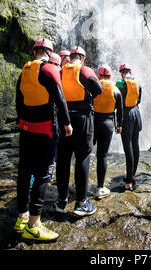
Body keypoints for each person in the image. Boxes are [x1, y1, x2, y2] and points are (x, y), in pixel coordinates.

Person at [14, 38, 72, 242]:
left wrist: (23, 122)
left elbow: (18, 101)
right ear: (49, 52)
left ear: (34, 50)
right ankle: (34, 224)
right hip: (46, 129)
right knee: (43, 173)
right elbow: (60, 97)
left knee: (24, 171)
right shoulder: (49, 70)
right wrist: (67, 123)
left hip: (26, 128)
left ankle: (21, 216)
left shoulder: (24, 71)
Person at [54, 46, 102, 216]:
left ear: (70, 56)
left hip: (64, 118)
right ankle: (81, 202)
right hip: (82, 119)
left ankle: (61, 200)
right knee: (82, 156)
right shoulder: (84, 69)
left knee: (63, 158)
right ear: (83, 58)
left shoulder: (60, 71)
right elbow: (99, 88)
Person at [93, 64, 123, 199]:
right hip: (108, 123)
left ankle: (78, 184)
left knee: (84, 153)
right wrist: (119, 126)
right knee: (102, 155)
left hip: (92, 122)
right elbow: (120, 110)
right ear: (110, 76)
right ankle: (100, 188)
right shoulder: (116, 90)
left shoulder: (93, 87)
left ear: (99, 76)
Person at [116, 64, 142, 191]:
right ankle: (133, 175)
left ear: (122, 73)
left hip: (126, 115)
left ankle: (129, 181)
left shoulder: (120, 83)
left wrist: (117, 122)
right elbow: (139, 99)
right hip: (136, 113)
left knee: (128, 147)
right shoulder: (138, 82)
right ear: (130, 72)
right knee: (135, 145)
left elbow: (117, 101)